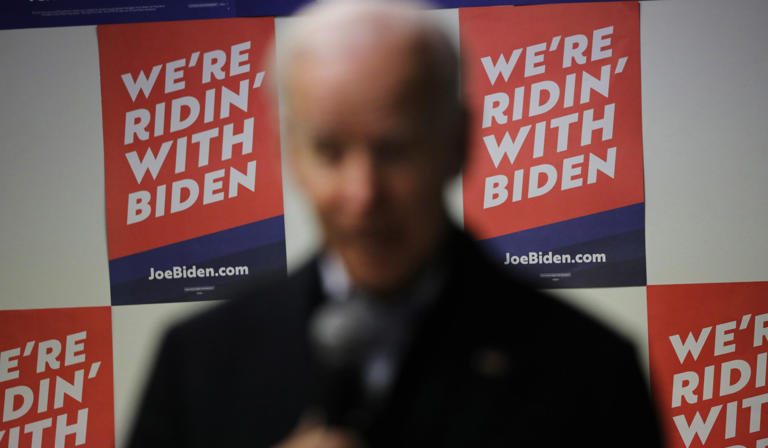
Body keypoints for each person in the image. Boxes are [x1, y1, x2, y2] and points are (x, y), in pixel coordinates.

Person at [128, 1, 661, 447]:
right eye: (329, 151)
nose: (362, 195)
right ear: (289, 152)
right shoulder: (196, 363)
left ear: (457, 144)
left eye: (394, 149)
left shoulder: (591, 372)